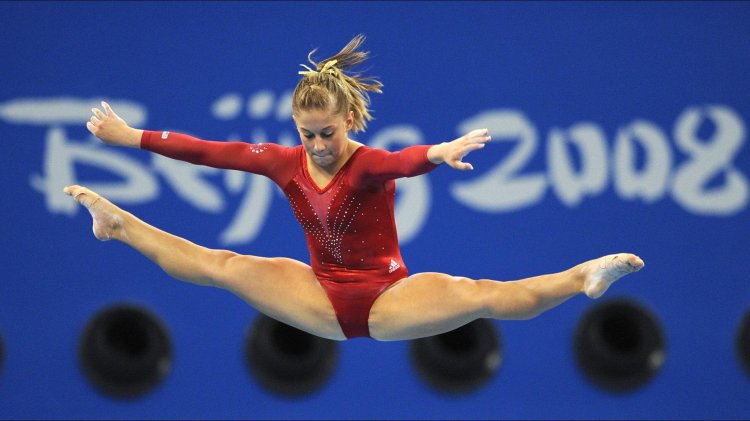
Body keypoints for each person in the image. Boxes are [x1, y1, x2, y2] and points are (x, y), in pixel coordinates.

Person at [65, 34, 644, 342]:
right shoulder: (284, 163)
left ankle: (582, 276)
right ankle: (119, 224)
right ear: (296, 128)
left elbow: (403, 162)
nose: (319, 145)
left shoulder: (365, 164)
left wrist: (439, 152)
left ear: (348, 121)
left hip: (388, 298)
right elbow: (207, 151)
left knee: (481, 295)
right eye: (308, 134)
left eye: (329, 133)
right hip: (318, 294)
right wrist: (131, 136)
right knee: (222, 264)